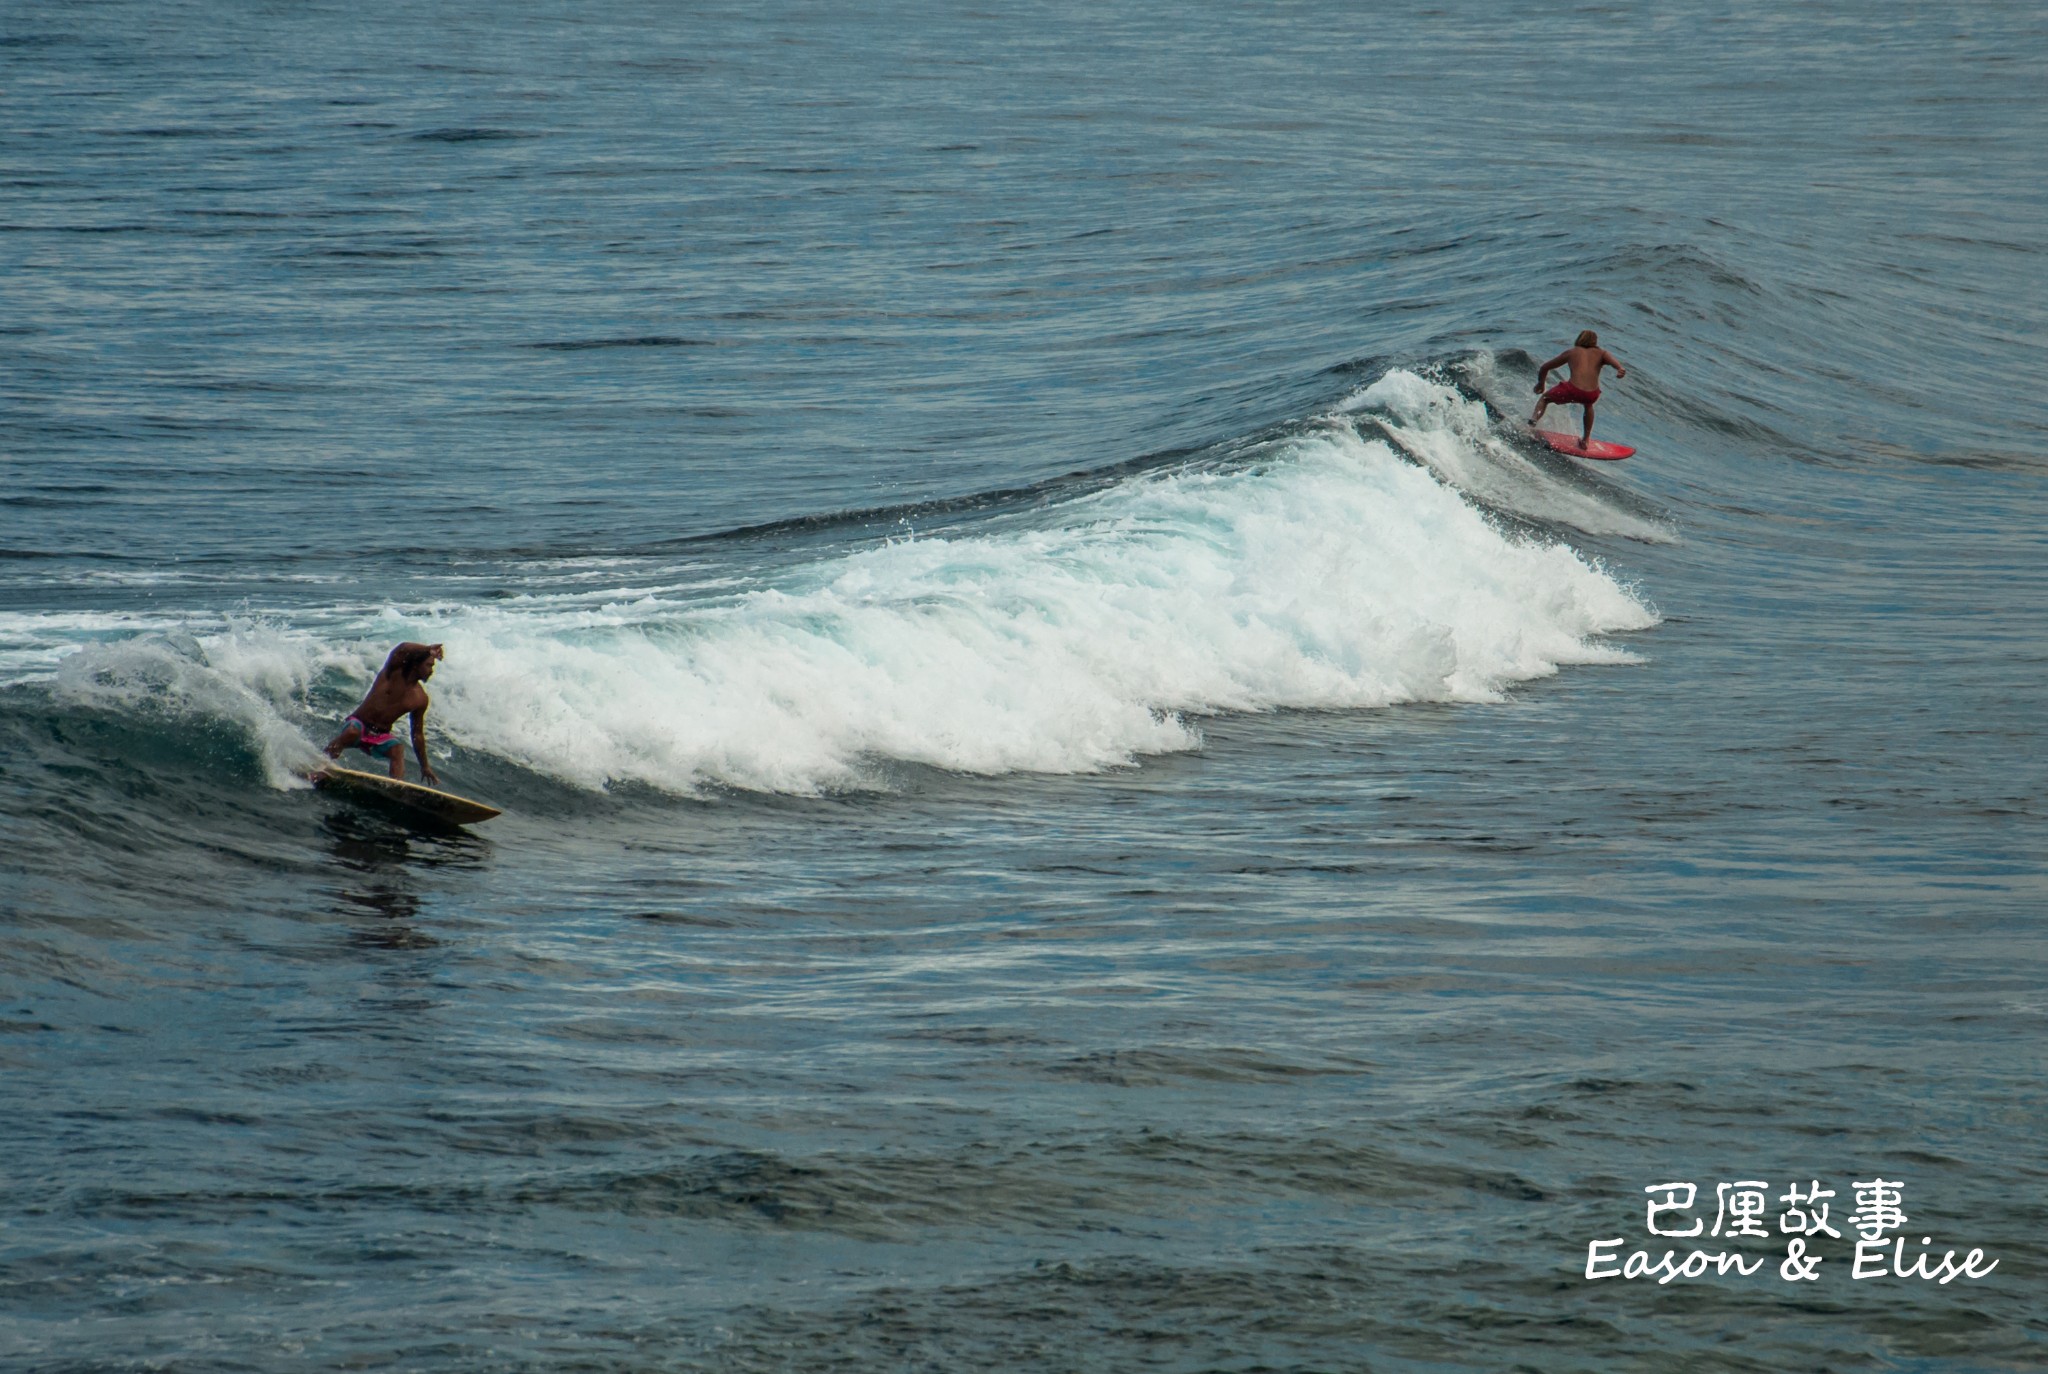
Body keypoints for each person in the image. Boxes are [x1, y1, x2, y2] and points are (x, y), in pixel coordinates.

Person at [326, 642, 443, 785]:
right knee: (352, 732)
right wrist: (428, 649)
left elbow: (417, 733)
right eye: (429, 665)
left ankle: (396, 787)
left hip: (379, 735)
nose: (431, 671)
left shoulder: (420, 698)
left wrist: (424, 766)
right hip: (359, 724)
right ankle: (323, 762)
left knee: (397, 750)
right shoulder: (392, 672)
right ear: (415, 665)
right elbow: (402, 647)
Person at [1531, 330, 1627, 450]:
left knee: (1545, 398)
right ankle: (1586, 439)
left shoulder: (1572, 352)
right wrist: (1620, 368)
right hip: (1591, 394)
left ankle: (1534, 419)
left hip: (1572, 389)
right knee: (1588, 406)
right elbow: (1616, 364)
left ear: (1579, 339)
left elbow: (1545, 367)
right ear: (1594, 341)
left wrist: (1541, 383)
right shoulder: (1602, 353)